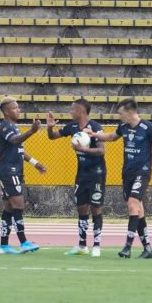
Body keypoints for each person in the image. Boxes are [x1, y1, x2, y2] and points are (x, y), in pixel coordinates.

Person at [85, 99, 152, 259]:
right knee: (138, 210)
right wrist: (94, 134)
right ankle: (147, 249)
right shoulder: (123, 127)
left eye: (121, 113)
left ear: (130, 112)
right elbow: (111, 137)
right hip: (127, 173)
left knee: (133, 205)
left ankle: (127, 246)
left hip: (143, 172)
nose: (119, 117)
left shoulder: (149, 128)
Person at [46, 99, 106, 257]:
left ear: (81, 111)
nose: (70, 112)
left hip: (97, 173)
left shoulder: (95, 127)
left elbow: (101, 151)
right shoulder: (71, 127)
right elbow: (52, 137)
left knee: (96, 208)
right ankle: (82, 245)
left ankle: (97, 246)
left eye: (73, 109)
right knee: (81, 208)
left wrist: (83, 149)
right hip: (82, 173)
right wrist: (50, 127)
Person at [0, 97, 47, 255]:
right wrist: (32, 131)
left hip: (15, 171)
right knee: (18, 205)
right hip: (9, 171)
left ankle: (4, 246)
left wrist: (34, 162)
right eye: (15, 108)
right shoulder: (5, 127)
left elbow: (18, 148)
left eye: (18, 108)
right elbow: (15, 140)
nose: (18, 110)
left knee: (9, 208)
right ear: (6, 111)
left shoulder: (13, 126)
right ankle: (24, 242)